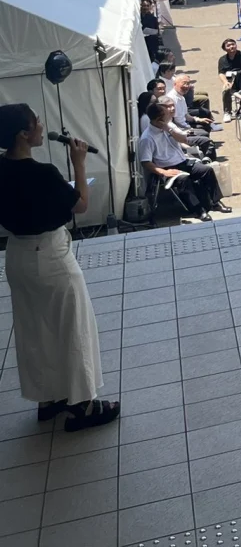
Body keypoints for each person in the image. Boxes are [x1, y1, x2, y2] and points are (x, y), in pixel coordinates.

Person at [0, 104, 119, 432]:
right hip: (50, 256)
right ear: (24, 134)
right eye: (36, 122)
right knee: (72, 327)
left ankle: (48, 398)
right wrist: (79, 164)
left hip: (17, 256)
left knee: (34, 330)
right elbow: (80, 203)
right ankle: (82, 405)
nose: (42, 125)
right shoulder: (43, 174)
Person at [137, 98, 228, 217]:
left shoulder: (168, 126)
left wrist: (169, 130)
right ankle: (198, 210)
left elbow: (183, 139)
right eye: (167, 114)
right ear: (159, 119)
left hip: (182, 160)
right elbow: (146, 162)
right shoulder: (147, 138)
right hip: (167, 166)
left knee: (207, 170)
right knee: (184, 180)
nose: (171, 115)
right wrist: (164, 172)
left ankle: (215, 202)